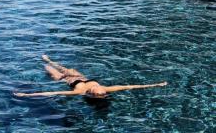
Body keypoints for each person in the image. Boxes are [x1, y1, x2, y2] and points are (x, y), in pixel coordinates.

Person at [14, 55, 167, 99]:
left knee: (50, 69)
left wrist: (27, 94)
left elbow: (54, 92)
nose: (96, 87)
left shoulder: (78, 92)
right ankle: (50, 60)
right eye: (98, 88)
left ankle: (47, 63)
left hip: (63, 80)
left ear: (91, 93)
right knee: (70, 68)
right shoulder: (107, 88)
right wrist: (156, 84)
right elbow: (131, 86)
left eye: (95, 90)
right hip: (79, 75)